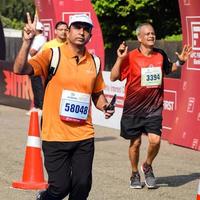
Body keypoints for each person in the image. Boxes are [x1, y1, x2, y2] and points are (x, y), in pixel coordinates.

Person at [13, 13, 114, 200]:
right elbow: (20, 69)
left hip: (84, 134)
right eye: (77, 27)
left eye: (86, 29)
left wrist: (105, 106)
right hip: (55, 134)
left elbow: (97, 94)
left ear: (90, 34)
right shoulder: (53, 54)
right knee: (60, 188)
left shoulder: (95, 62)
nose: (82, 32)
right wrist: (27, 42)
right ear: (68, 32)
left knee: (82, 186)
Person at [110, 23, 192, 189]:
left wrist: (181, 61)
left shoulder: (160, 54)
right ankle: (134, 173)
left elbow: (169, 69)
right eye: (147, 34)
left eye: (153, 33)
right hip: (133, 108)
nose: (151, 36)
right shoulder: (130, 57)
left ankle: (147, 165)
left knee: (155, 140)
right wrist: (120, 58)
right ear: (139, 38)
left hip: (154, 107)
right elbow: (113, 77)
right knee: (136, 143)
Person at [26, 21, 47, 116]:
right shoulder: (37, 38)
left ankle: (41, 107)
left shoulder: (40, 38)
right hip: (33, 65)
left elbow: (32, 52)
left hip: (37, 65)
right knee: (35, 86)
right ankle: (37, 106)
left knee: (38, 87)